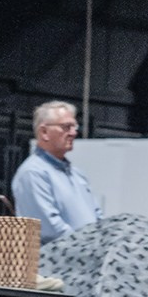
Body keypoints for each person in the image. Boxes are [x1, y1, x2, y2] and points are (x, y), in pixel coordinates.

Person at [11, 100, 103, 245]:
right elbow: (49, 228)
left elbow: (97, 216)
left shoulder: (78, 175)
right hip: (54, 264)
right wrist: (88, 247)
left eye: (74, 126)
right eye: (66, 127)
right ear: (44, 132)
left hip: (85, 260)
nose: (73, 133)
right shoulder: (33, 173)